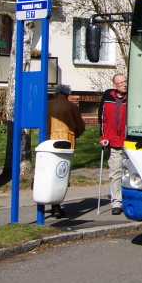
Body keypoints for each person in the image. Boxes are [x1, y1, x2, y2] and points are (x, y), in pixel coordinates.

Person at [46, 84, 86, 218]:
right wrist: (75, 134)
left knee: (50, 171)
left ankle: (53, 204)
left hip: (49, 139)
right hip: (66, 140)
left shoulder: (47, 105)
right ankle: (57, 204)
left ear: (55, 94)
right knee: (62, 172)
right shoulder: (71, 106)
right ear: (67, 94)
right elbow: (80, 125)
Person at [98, 73, 128, 215]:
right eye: (121, 83)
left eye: (125, 82)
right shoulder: (107, 98)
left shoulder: (132, 98)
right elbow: (102, 119)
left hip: (128, 142)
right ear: (115, 86)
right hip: (113, 141)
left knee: (127, 173)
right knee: (115, 172)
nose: (124, 85)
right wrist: (103, 136)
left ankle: (129, 199)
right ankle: (117, 202)